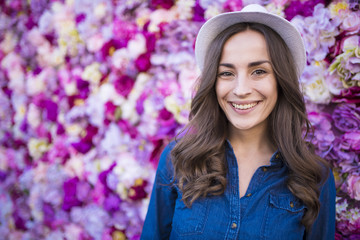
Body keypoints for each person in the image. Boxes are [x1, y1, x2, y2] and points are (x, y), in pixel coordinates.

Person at [141, 4, 335, 240]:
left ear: (281, 81)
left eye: (259, 71)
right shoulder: (178, 160)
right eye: (226, 73)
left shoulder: (314, 176)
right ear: (213, 82)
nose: (241, 90)